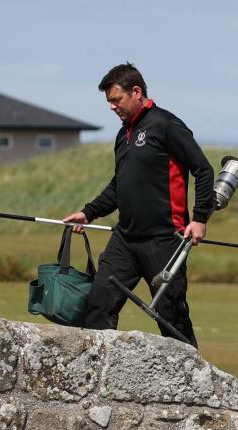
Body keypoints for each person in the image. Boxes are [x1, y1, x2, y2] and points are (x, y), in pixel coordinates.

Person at [63, 62, 214, 347]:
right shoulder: (124, 134)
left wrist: (200, 218)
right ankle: (99, 384)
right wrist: (88, 213)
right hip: (125, 240)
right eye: (109, 102)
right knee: (98, 305)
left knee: (171, 316)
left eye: (116, 100)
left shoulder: (166, 125)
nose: (111, 107)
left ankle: (194, 388)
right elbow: (119, 186)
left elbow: (203, 170)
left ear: (136, 92)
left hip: (164, 240)